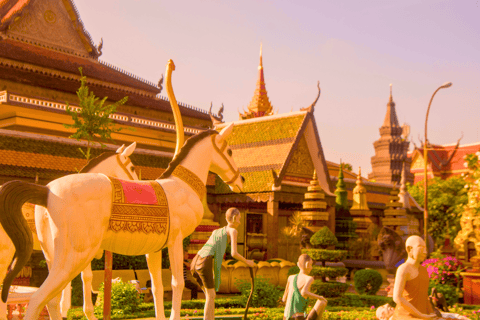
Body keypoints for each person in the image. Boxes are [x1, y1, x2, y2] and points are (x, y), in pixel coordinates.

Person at [190, 207, 255, 320]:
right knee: (210, 296)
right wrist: (247, 262)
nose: (239, 221)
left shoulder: (216, 231)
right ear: (234, 218)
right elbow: (234, 253)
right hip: (204, 262)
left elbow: (214, 252)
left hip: (195, 261)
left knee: (210, 296)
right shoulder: (233, 231)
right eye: (239, 219)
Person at [391, 235, 440, 319]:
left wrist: (430, 313)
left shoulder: (423, 270)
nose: (425, 252)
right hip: (406, 316)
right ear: (409, 249)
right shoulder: (404, 268)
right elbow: (397, 297)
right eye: (421, 247)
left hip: (423, 314)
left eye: (425, 248)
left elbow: (423, 296)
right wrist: (420, 315)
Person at [282, 254, 327, 320]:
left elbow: (284, 299)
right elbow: (304, 292)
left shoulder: (290, 278)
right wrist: (320, 297)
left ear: (298, 264)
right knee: (322, 302)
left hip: (286, 317)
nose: (311, 268)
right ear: (307, 264)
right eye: (311, 265)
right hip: (298, 318)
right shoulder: (309, 278)